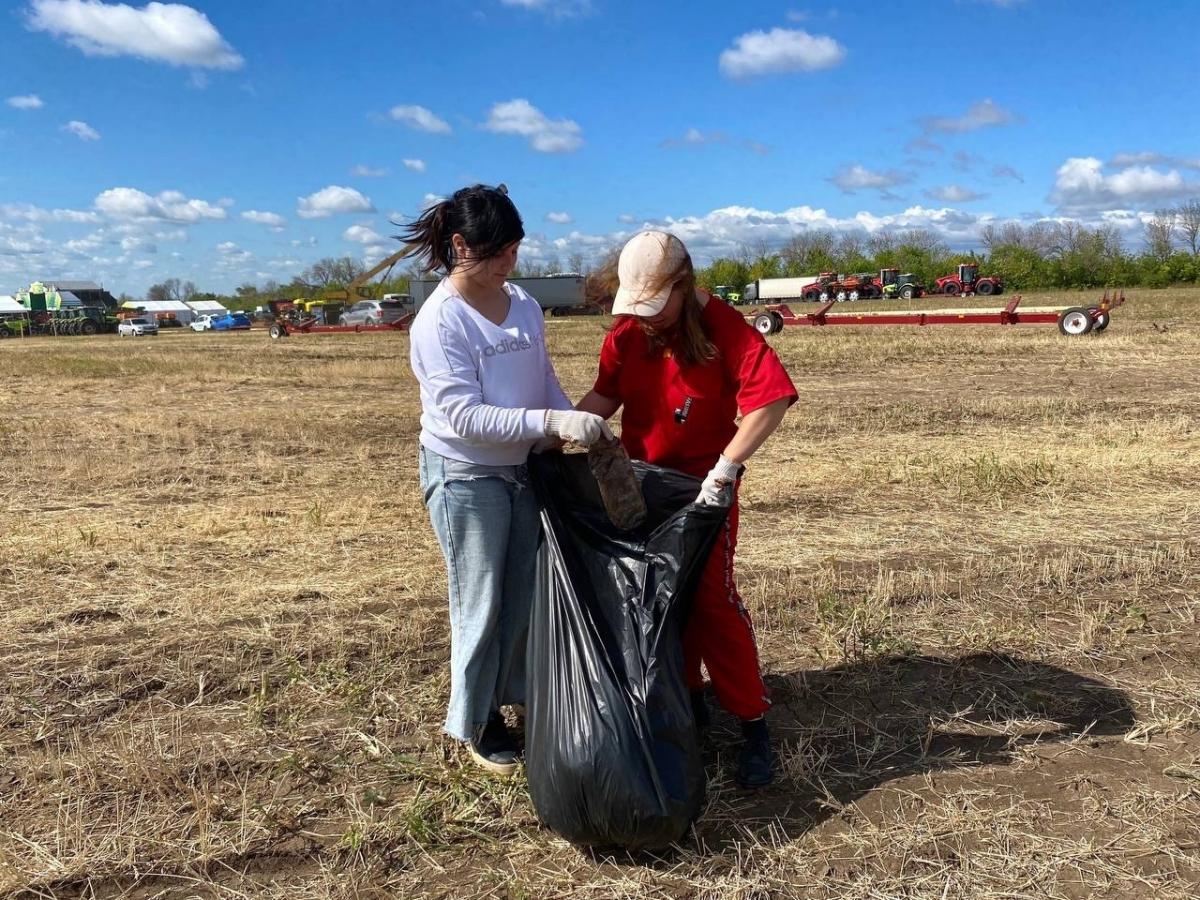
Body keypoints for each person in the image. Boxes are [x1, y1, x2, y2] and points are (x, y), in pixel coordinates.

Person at [577, 231, 797, 788]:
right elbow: (606, 395)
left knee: (711, 602)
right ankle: (688, 701)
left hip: (703, 492)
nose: (646, 319)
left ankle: (752, 722)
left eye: (656, 306)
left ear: (683, 286)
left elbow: (769, 401)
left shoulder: (726, 331)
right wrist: (561, 427)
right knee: (654, 600)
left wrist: (726, 469)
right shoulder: (630, 333)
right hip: (639, 489)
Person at [404, 184, 612, 775]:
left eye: (515, 250)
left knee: (524, 589)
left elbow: (540, 376)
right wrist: (547, 420)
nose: (509, 264)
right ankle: (474, 721)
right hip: (466, 476)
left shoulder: (521, 304)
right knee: (481, 598)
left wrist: (568, 421)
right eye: (498, 253)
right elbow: (463, 417)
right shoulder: (441, 322)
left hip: (522, 468)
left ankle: (516, 695)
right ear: (461, 246)